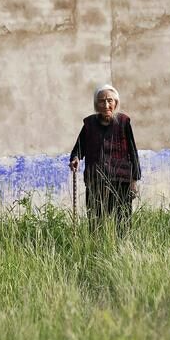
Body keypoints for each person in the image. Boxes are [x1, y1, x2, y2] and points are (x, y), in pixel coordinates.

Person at [69, 84, 141, 236]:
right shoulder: (89, 125)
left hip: (121, 181)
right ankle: (96, 251)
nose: (106, 105)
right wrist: (75, 158)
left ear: (115, 103)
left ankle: (122, 251)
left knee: (122, 220)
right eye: (102, 101)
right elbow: (79, 147)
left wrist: (134, 180)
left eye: (110, 100)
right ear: (96, 104)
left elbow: (132, 152)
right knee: (96, 221)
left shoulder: (123, 122)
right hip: (96, 180)